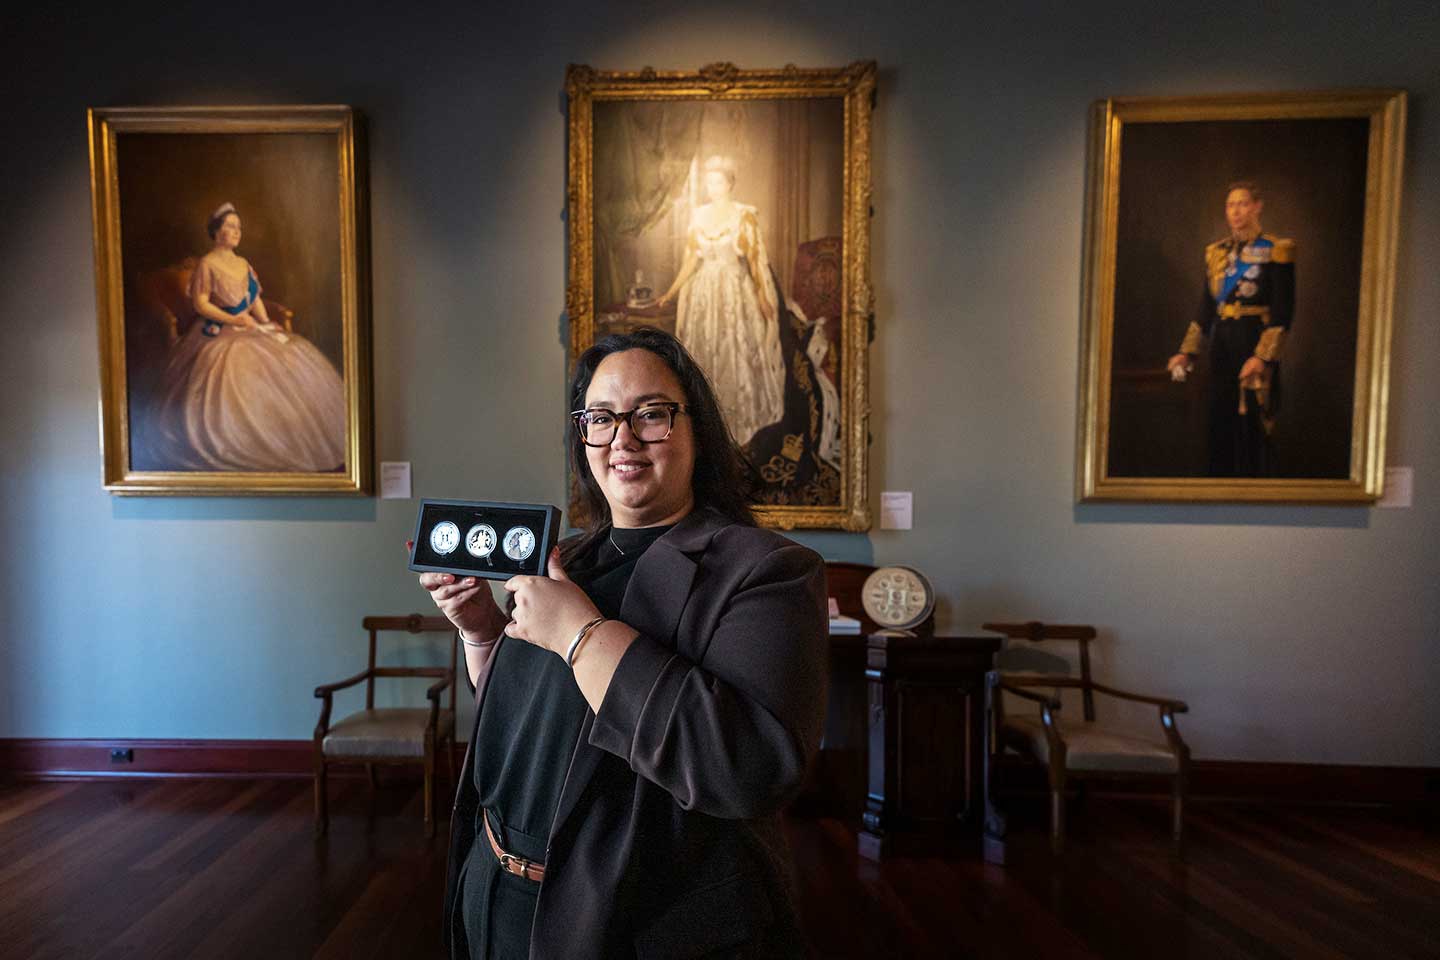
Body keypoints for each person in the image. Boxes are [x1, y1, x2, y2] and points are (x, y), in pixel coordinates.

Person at [420, 327, 828, 959]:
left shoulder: (766, 569)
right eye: (601, 418)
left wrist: (581, 636)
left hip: (635, 923)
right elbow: (536, 717)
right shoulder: (566, 559)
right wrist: (482, 634)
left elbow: (747, 768)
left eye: (652, 414)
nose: (624, 439)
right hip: (495, 889)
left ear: (695, 428)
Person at [140, 202, 346, 471]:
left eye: (239, 227)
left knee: (288, 353)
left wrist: (265, 322)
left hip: (249, 325)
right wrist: (234, 319)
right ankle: (240, 445)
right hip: (217, 330)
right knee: (234, 365)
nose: (236, 231)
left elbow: (254, 298)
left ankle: (285, 440)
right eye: (230, 226)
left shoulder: (243, 263)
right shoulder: (207, 264)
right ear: (216, 232)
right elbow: (201, 304)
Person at [1167, 181, 1296, 477]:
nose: (1236, 211)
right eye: (1230, 205)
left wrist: (1262, 358)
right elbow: (1205, 308)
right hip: (1222, 345)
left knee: (1253, 424)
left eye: (1242, 204)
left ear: (1256, 207)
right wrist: (1187, 352)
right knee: (1219, 420)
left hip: (1254, 341)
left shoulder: (1277, 250)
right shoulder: (1216, 253)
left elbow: (1283, 312)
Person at [657, 156, 786, 447]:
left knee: (734, 351)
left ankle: (739, 421)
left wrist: (764, 298)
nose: (713, 187)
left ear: (729, 184)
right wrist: (672, 291)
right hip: (705, 297)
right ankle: (707, 428)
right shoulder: (699, 216)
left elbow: (754, 261)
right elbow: (691, 260)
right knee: (707, 353)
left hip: (733, 293)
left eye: (718, 181)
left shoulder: (744, 215)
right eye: (709, 182)